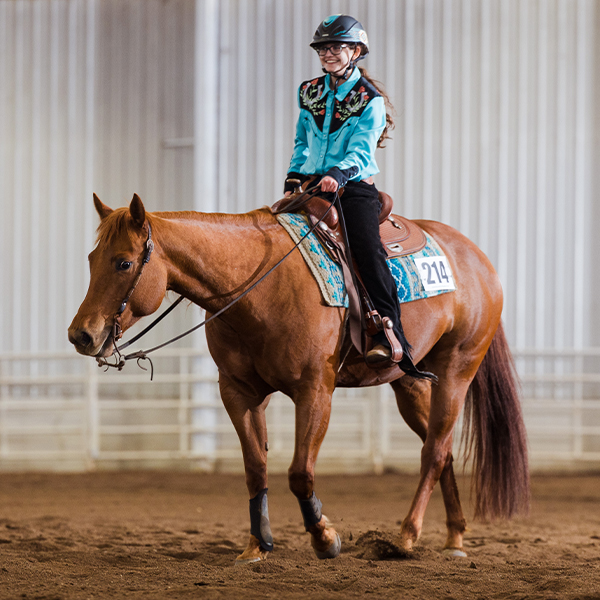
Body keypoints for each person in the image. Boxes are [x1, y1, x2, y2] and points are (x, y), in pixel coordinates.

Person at [284, 14, 408, 366]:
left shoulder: (370, 99)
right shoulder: (308, 92)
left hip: (353, 187)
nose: (328, 53)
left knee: (368, 252)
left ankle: (389, 331)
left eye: (336, 47)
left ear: (355, 51)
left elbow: (362, 150)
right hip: (313, 187)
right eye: (323, 48)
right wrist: (295, 173)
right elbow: (302, 140)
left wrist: (339, 173)